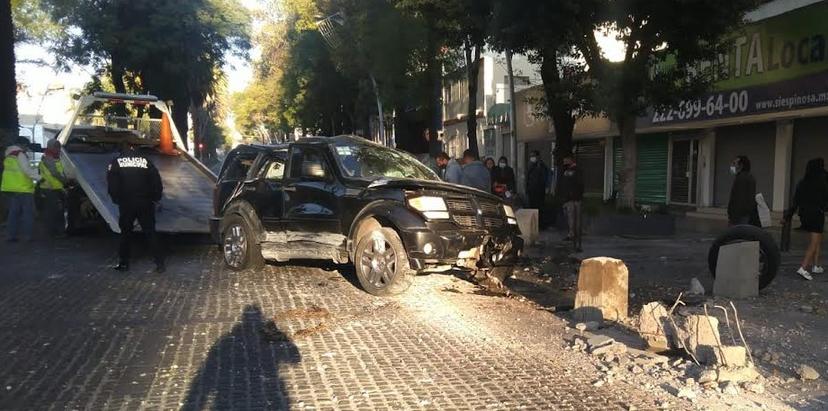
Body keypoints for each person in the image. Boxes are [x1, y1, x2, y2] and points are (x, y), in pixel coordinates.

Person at [107, 142, 165, 273]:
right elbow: (156, 181)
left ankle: (123, 263)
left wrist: (117, 199)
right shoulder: (146, 162)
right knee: (150, 232)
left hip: (126, 203)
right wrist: (155, 198)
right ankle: (159, 263)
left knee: (125, 233)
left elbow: (112, 184)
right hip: (145, 202)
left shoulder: (117, 162)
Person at [786, 158, 828, 281]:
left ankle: (815, 265)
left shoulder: (803, 182)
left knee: (818, 238)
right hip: (817, 214)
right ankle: (803, 267)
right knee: (814, 242)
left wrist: (787, 217)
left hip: (804, 214)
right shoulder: (822, 182)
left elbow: (795, 201)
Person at [2, 137, 40, 242]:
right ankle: (27, 236)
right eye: (26, 146)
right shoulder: (20, 154)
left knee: (13, 213)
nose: (27, 149)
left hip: (11, 188)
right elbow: (27, 171)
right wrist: (40, 177)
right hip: (23, 188)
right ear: (22, 145)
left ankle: (11, 236)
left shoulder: (9, 155)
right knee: (27, 213)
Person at [38, 139, 70, 237]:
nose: (58, 149)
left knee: (55, 211)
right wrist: (65, 181)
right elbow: (54, 173)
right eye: (56, 147)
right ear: (51, 147)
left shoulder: (55, 157)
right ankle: (55, 232)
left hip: (55, 188)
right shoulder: (49, 158)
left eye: (59, 147)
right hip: (50, 188)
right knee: (55, 211)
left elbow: (60, 171)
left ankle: (55, 231)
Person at [557, 154, 584, 241]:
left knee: (575, 218)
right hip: (567, 198)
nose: (565, 162)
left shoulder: (577, 170)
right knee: (570, 217)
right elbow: (562, 184)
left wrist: (575, 195)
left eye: (566, 160)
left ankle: (575, 234)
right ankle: (571, 233)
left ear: (571, 160)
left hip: (575, 198)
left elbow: (580, 184)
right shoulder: (565, 170)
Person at [727, 155, 760, 226]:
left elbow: (738, 198)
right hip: (746, 215)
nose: (732, 166)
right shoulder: (750, 177)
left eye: (734, 164)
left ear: (741, 165)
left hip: (739, 217)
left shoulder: (741, 178)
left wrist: (732, 215)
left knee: (734, 235)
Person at [526, 150, 549, 217]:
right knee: (532, 207)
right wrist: (527, 189)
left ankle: (540, 224)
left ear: (538, 156)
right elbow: (528, 178)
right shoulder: (530, 165)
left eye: (533, 156)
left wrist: (546, 187)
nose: (532, 157)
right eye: (531, 156)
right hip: (531, 191)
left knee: (539, 208)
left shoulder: (542, 166)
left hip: (539, 191)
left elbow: (545, 178)